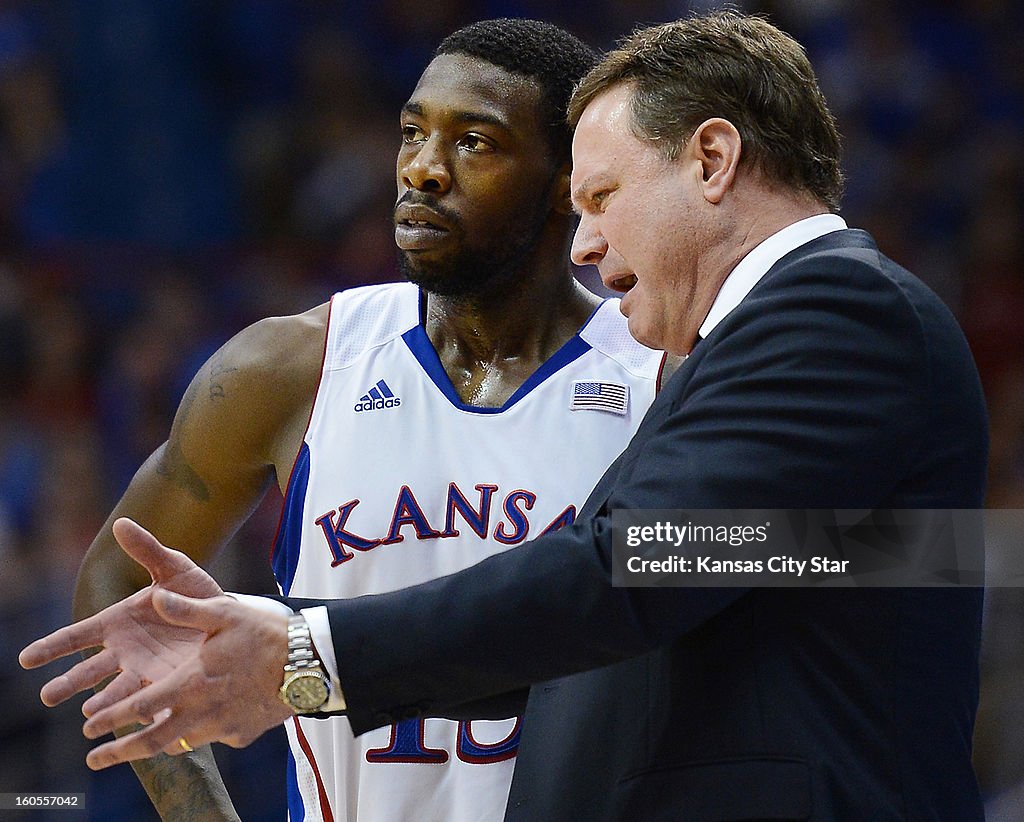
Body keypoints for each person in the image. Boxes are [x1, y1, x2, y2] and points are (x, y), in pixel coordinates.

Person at [22, 11, 989, 820]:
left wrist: (305, 658)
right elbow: (659, 599)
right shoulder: (301, 359)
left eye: (599, 197)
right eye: (409, 133)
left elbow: (629, 581)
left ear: (710, 160)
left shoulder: (776, 334)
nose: (591, 240)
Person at [38, 18, 670, 822]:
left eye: (475, 143)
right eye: (413, 132)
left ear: (566, 182)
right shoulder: (290, 366)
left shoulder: (659, 372)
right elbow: (117, 579)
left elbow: (829, 552)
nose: (423, 169)